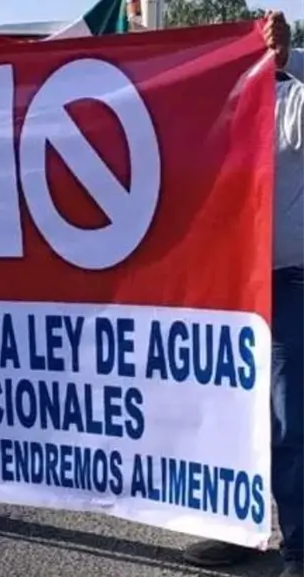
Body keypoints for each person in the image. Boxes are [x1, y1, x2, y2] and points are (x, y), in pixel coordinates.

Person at [180, 13, 304, 577]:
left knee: (287, 420)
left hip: (286, 278)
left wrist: (281, 62)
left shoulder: (293, 89)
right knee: (230, 413)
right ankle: (241, 530)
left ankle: (300, 546)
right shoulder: (214, 97)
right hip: (226, 281)